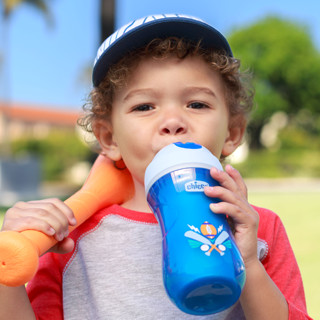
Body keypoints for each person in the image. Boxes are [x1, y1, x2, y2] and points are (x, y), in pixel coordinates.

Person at [0, 14, 312, 320]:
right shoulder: (71, 240)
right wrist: (7, 270)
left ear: (232, 133)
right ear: (109, 138)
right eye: (144, 106)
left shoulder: (258, 229)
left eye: (197, 104)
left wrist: (246, 261)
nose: (173, 122)